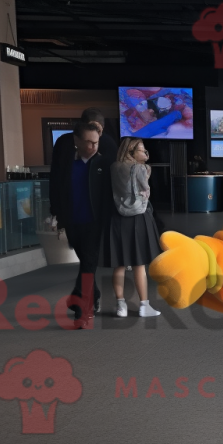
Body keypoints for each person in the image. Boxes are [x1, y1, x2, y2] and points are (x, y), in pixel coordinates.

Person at [49, 120, 113, 327]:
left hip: (95, 224)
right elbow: (55, 187)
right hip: (72, 223)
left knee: (88, 265)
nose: (93, 147)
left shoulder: (104, 163)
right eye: (88, 142)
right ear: (76, 140)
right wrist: (55, 214)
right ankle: (92, 295)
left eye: (96, 142)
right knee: (87, 264)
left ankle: (82, 312)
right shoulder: (66, 163)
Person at [108, 137, 162, 318]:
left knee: (119, 264)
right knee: (139, 263)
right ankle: (144, 305)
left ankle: (120, 305)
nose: (145, 153)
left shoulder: (114, 167)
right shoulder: (141, 168)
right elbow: (145, 189)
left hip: (117, 218)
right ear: (131, 152)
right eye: (142, 150)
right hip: (138, 217)